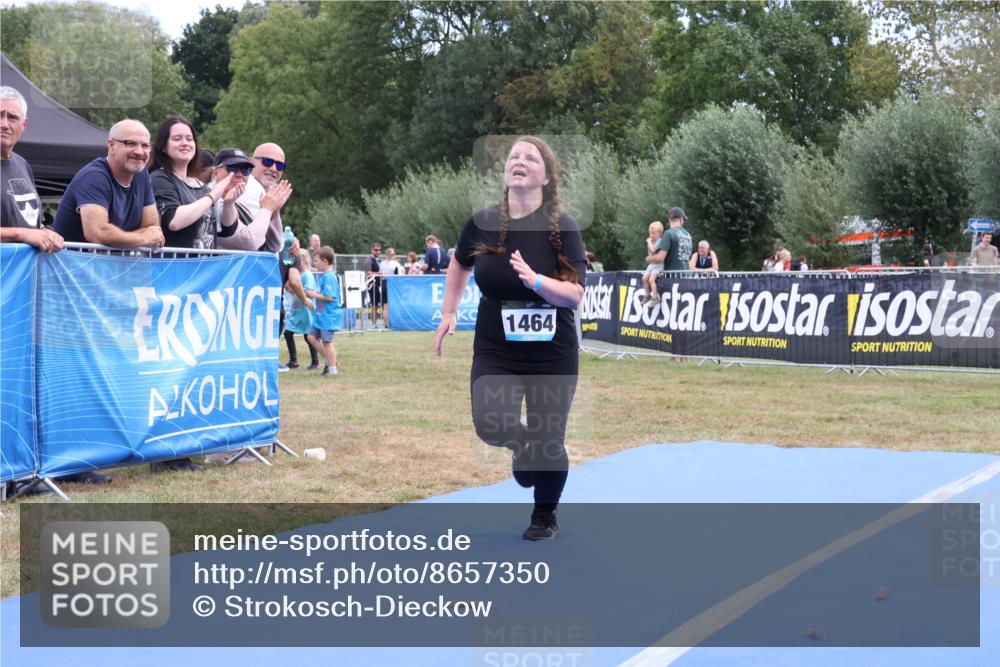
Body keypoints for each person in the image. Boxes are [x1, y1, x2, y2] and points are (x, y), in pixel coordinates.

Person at [434, 136, 586, 541]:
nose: (518, 161)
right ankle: (523, 446)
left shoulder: (562, 228)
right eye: (513, 156)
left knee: (550, 439)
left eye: (530, 158)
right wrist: (449, 312)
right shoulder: (482, 222)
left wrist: (537, 281)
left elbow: (574, 294)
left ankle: (544, 514)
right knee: (490, 423)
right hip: (496, 347)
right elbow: (458, 263)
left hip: (552, 354)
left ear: (546, 176)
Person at [53, 119, 165, 249]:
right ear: (111, 145)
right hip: (70, 265)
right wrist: (143, 238)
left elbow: (152, 228)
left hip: (107, 266)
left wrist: (120, 238)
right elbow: (98, 233)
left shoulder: (142, 176)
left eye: (145, 145)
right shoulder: (94, 177)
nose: (139, 151)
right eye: (131, 143)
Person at [148, 115, 241, 249]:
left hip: (204, 268)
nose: (185, 143)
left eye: (189, 139)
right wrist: (212, 196)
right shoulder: (159, 179)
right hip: (175, 267)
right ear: (163, 147)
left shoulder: (201, 187)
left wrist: (229, 204)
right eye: (177, 139)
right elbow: (173, 221)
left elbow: (228, 230)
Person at [1, 86, 63, 252]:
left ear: (24, 124)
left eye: (12, 117)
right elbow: (26, 232)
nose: (4, 124)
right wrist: (21, 234)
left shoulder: (22, 165)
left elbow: (35, 223)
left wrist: (46, 232)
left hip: (23, 275)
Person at [305, 246, 342, 376]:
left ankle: (333, 368)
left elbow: (329, 297)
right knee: (311, 337)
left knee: (327, 342)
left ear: (325, 261)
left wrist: (312, 294)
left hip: (329, 316)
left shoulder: (329, 277)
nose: (314, 263)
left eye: (316, 260)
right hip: (321, 316)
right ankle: (330, 360)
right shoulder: (324, 275)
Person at [285, 249, 320, 370]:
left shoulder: (308, 275)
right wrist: (289, 287)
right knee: (288, 333)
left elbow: (308, 292)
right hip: (297, 310)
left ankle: (315, 362)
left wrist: (297, 289)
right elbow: (296, 291)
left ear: (303, 260)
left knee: (308, 335)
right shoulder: (299, 275)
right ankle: (293, 360)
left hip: (305, 310)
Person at [647, 207, 692, 277]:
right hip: (686, 276)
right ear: (681, 219)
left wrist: (648, 259)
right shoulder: (688, 235)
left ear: (669, 219)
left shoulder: (669, 233)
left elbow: (660, 258)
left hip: (672, 278)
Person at [640, 221, 665, 307]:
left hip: (658, 265)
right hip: (651, 265)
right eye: (650, 233)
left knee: (651, 280)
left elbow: (653, 250)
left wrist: (649, 242)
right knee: (644, 278)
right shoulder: (652, 241)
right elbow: (649, 251)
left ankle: (655, 298)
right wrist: (650, 243)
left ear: (660, 233)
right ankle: (647, 295)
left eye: (653, 234)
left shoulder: (660, 241)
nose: (651, 236)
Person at [379, 247, 404, 328]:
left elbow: (381, 273)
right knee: (394, 305)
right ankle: (394, 323)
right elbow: (400, 275)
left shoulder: (382, 263)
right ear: (393, 255)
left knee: (385, 307)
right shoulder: (395, 264)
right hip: (392, 285)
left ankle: (386, 324)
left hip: (383, 284)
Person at [364, 242, 382, 326]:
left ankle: (375, 323)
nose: (378, 251)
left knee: (377, 305)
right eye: (376, 250)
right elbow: (368, 273)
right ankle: (373, 324)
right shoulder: (369, 260)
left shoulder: (378, 260)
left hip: (379, 285)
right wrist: (378, 274)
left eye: (379, 250)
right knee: (373, 305)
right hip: (372, 285)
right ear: (372, 250)